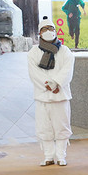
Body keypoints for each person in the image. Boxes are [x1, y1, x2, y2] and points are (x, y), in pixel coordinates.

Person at [27, 17, 74, 166]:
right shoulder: (33, 52)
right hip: (42, 96)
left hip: (60, 95)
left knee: (62, 127)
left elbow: (67, 70)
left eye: (51, 29)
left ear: (55, 31)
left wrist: (56, 84)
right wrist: (47, 85)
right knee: (44, 128)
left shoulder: (65, 50)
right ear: (39, 33)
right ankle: (48, 156)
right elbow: (34, 72)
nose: (48, 32)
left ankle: (61, 156)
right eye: (44, 29)